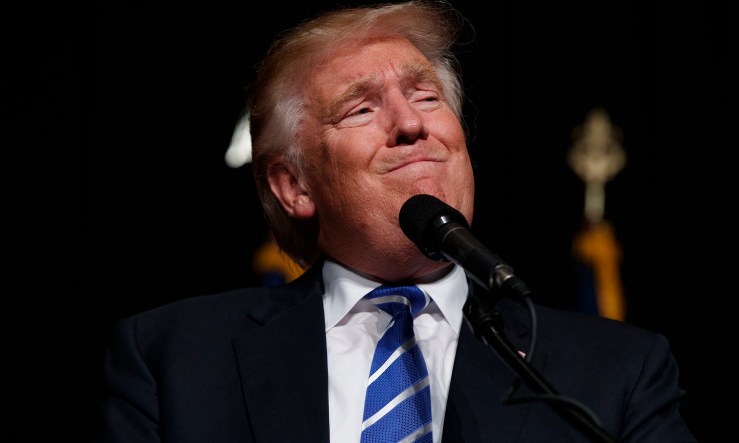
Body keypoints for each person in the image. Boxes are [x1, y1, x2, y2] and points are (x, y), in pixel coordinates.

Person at [97, 1, 698, 442]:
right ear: (294, 185)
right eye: (361, 108)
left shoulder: (615, 372)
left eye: (429, 97)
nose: (412, 124)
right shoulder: (173, 359)